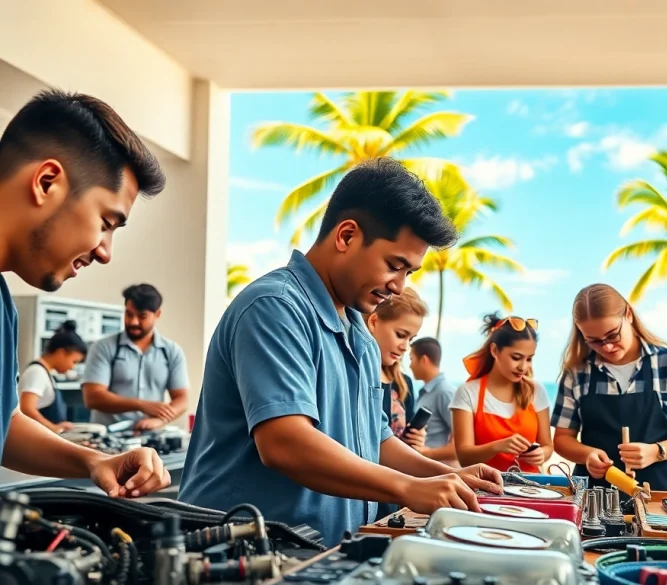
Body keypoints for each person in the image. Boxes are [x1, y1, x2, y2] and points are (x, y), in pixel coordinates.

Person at [177, 158, 503, 546]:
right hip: (239, 554)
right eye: (394, 265)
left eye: (409, 273)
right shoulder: (274, 307)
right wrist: (406, 488)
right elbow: (284, 442)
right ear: (347, 236)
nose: (399, 286)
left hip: (317, 554)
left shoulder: (360, 335)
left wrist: (438, 476)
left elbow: (377, 442)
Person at [0, 89, 170, 497]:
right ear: (47, 182)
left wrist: (93, 461)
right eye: (106, 222)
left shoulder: (4, 307)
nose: (105, 253)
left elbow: (4, 427)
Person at [552, 284, 667, 492]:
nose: (607, 346)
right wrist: (587, 455)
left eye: (612, 335)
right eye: (594, 341)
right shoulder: (577, 373)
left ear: (628, 314)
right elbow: (562, 439)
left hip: (662, 497)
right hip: (594, 498)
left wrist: (657, 451)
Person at [450, 314, 552, 473]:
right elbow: (464, 458)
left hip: (531, 488)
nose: (523, 367)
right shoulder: (468, 392)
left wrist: (541, 454)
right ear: (495, 350)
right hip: (485, 488)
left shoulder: (536, 390)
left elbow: (547, 446)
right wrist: (498, 446)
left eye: (529, 359)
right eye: (516, 357)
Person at [82, 284, 190, 431]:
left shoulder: (172, 351)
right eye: (129, 314)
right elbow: (93, 397)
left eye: (142, 316)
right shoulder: (103, 347)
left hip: (151, 439)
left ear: (157, 314)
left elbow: (182, 399)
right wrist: (142, 405)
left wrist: (159, 420)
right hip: (107, 441)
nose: (133, 321)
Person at [365, 288, 429, 521]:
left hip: (396, 496)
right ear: (374, 322)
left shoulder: (405, 385)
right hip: (360, 489)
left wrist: (417, 442)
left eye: (410, 339)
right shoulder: (356, 376)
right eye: (400, 334)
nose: (405, 347)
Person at [18, 320, 89, 433]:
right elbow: (26, 408)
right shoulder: (37, 372)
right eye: (74, 361)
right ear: (61, 352)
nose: (72, 367)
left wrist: (59, 426)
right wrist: (53, 428)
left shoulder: (45, 373)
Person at [409, 337, 458, 466]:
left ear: (424, 360)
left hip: (437, 473)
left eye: (411, 359)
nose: (409, 365)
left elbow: (462, 446)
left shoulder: (445, 392)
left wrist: (425, 452)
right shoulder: (426, 391)